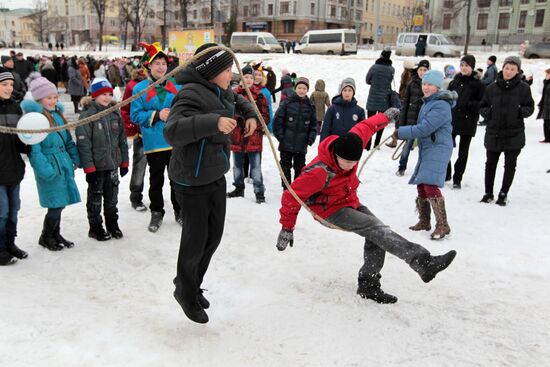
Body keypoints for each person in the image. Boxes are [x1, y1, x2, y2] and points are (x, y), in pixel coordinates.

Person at [276, 108, 457, 304]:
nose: (350, 166)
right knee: (376, 229)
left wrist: (384, 117)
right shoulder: (318, 173)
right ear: (336, 154)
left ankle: (368, 285)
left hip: (349, 202)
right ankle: (423, 261)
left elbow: (365, 127)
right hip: (328, 211)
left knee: (377, 234)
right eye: (346, 162)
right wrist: (287, 228)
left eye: (354, 162)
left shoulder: (352, 143)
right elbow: (290, 197)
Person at [166, 43, 257, 324]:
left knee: (213, 237)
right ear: (211, 71)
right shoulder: (191, 93)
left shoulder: (219, 88)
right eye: (227, 70)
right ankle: (185, 290)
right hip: (192, 179)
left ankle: (191, 282)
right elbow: (172, 131)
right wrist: (213, 122)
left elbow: (234, 99)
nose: (231, 75)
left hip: (215, 173)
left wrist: (250, 113)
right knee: (195, 241)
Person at [394, 70, 457, 240]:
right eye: (424, 84)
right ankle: (424, 221)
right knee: (422, 183)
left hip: (438, 148)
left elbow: (425, 128)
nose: (426, 87)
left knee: (430, 184)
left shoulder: (441, 105)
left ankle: (443, 225)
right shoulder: (428, 102)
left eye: (430, 84)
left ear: (438, 87)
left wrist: (402, 132)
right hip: (429, 147)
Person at [21, 77, 80, 251]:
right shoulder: (35, 120)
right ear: (39, 99)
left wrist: (74, 158)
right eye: (48, 98)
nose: (53, 101)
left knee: (60, 202)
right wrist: (44, 169)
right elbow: (35, 149)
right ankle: (46, 236)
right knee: (54, 203)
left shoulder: (58, 116)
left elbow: (68, 139)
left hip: (63, 163)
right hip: (50, 165)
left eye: (55, 97)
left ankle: (55, 233)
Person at [131, 42, 182, 232]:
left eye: (163, 63)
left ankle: (180, 211)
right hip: (155, 143)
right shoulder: (140, 89)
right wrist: (157, 115)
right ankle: (157, 212)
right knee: (156, 180)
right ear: (149, 66)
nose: (161, 67)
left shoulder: (176, 86)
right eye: (157, 63)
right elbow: (136, 115)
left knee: (177, 179)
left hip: (175, 141)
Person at [76, 78, 129, 241]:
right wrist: (89, 168)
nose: (107, 98)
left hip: (112, 165)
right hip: (97, 168)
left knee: (112, 199)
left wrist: (124, 161)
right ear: (94, 95)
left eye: (109, 94)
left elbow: (122, 140)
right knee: (95, 200)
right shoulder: (87, 116)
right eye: (102, 94)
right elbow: (84, 144)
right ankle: (96, 227)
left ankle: (113, 225)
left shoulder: (114, 114)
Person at [479, 56, 534, 206]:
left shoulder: (524, 88)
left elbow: (530, 107)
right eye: (506, 68)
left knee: (510, 166)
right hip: (494, 132)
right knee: (490, 164)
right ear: (502, 68)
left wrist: (519, 111)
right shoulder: (492, 88)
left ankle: (503, 194)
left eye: (512, 69)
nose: (508, 72)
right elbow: (483, 105)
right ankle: (488, 192)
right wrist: (489, 113)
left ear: (517, 71)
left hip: (513, 134)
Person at [226, 64, 270, 203]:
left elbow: (265, 115)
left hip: (254, 137)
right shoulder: (234, 94)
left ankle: (259, 192)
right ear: (241, 79)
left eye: (251, 77)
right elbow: (229, 112)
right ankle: (239, 188)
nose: (249, 79)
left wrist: (256, 125)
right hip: (237, 136)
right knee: (237, 165)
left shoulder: (260, 95)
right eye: (246, 77)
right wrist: (238, 120)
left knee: (256, 167)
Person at [0, 68, 30, 265]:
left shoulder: (15, 107)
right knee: (1, 211)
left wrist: (28, 143)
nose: (9, 88)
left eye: (11, 84)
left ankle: (10, 243)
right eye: (4, 84)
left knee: (13, 210)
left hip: (13, 168)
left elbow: (19, 138)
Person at [446, 55, 485, 189]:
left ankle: (458, 177)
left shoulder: (478, 84)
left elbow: (482, 103)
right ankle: (447, 173)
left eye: (466, 65)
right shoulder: (454, 81)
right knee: (446, 148)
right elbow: (448, 96)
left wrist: (470, 104)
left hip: (468, 121)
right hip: (452, 120)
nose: (463, 68)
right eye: (462, 65)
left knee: (463, 152)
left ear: (472, 67)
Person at [273, 77, 317, 188]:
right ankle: (286, 188)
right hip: (286, 144)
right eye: (299, 87)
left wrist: (310, 138)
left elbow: (314, 125)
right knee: (285, 167)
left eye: (304, 88)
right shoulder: (287, 103)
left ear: (307, 90)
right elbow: (277, 120)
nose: (301, 90)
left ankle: (297, 189)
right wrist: (280, 136)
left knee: (300, 168)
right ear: (295, 88)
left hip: (301, 145)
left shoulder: (310, 106)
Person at [395, 59, 430, 176]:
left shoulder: (431, 85)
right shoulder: (412, 83)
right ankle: (401, 167)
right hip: (411, 122)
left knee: (424, 148)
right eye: (420, 69)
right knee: (407, 146)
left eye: (425, 70)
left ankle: (422, 169)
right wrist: (402, 123)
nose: (422, 72)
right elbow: (405, 104)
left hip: (424, 123)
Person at [121, 67, 148, 211]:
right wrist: (132, 128)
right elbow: (125, 109)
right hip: (141, 132)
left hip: (158, 133)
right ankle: (136, 196)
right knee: (139, 166)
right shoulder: (133, 86)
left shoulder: (160, 83)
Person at [365, 46, 394, 150]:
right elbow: (390, 81)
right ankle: (376, 144)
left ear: (381, 55)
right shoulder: (391, 69)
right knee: (381, 122)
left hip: (372, 99)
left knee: (370, 122)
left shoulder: (374, 67)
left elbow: (367, 80)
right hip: (384, 100)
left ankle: (368, 144)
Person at [387, 59, 415, 148]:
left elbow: (403, 87)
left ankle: (395, 140)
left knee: (399, 119)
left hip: (404, 99)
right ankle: (410, 143)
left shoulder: (406, 74)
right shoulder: (413, 75)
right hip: (408, 99)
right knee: (408, 120)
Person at [537, 67, 550, 143]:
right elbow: (544, 95)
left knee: (548, 122)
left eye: (547, 74)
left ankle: (548, 138)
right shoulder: (546, 83)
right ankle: (547, 138)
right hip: (546, 105)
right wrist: (541, 103)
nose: (546, 75)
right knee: (546, 122)